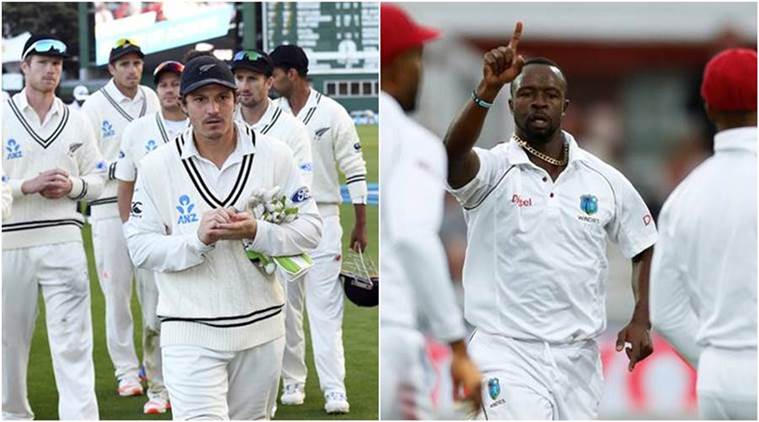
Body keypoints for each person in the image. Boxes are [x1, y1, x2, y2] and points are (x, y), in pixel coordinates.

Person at [444, 23, 658, 419]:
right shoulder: (493, 169)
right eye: (527, 93)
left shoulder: (603, 179)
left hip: (579, 362)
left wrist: (642, 317)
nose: (539, 102)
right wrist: (486, 89)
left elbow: (643, 243)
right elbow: (452, 158)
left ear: (565, 105)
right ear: (511, 103)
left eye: (550, 95)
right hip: (505, 352)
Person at [123, 55, 322, 420]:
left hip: (261, 329)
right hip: (188, 328)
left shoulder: (275, 155)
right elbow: (139, 246)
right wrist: (196, 241)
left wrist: (257, 231)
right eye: (200, 99)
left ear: (235, 99)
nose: (213, 109)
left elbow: (310, 230)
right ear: (184, 105)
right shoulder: (156, 165)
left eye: (221, 98)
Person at [380, 4, 483, 419]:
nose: (420, 71)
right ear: (396, 62)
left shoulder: (328, 126)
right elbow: (411, 237)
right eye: (417, 58)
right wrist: (457, 345)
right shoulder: (413, 141)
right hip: (388, 335)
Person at [650, 48, 757, 420]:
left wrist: (714, 359)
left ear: (708, 109)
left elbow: (665, 312)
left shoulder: (684, 195)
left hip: (716, 381)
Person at [2, 34, 105, 420]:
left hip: (64, 239)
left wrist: (73, 186)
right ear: (24, 66)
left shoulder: (77, 120)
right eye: (42, 62)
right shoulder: (3, 114)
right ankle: (12, 415)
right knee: (8, 343)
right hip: (10, 242)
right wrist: (25, 186)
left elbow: (99, 180)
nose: (51, 70)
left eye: (57, 64)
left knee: (74, 342)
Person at [270, 44, 369, 414]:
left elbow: (354, 167)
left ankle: (334, 389)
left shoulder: (332, 112)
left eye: (274, 74)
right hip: (284, 223)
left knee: (325, 309)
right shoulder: (272, 116)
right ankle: (292, 380)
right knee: (285, 307)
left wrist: (361, 223)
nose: (270, 81)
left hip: (324, 219)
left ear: (291, 74)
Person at [230, 48, 314, 414]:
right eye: (239, 78)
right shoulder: (226, 120)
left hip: (279, 229)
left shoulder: (290, 128)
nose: (244, 86)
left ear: (268, 82)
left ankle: (293, 378)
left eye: (252, 78)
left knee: (287, 308)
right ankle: (248, 380)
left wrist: (271, 218)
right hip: (235, 232)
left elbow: (302, 184)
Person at [80, 38, 160, 397]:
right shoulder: (95, 105)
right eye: (124, 64)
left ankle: (154, 367)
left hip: (149, 206)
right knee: (116, 294)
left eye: (136, 63)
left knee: (154, 292)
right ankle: (126, 371)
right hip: (109, 206)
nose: (132, 70)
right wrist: (122, 168)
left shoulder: (152, 99)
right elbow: (87, 160)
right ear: (111, 68)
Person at [115, 59, 188, 414]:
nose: (171, 90)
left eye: (177, 83)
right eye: (164, 84)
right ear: (156, 90)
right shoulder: (138, 130)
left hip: (195, 238)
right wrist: (131, 230)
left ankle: (188, 386)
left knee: (195, 317)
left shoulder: (202, 124)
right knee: (153, 318)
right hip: (153, 239)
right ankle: (158, 389)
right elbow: (125, 185)